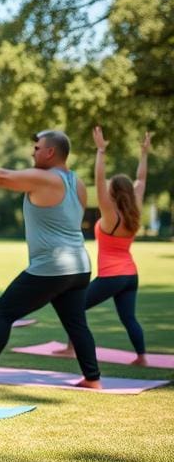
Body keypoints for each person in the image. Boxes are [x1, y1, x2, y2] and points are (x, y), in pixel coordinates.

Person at [0, 130, 102, 388]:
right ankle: (92, 378)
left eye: (37, 147)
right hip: (79, 266)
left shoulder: (45, 178)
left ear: (50, 152)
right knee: (76, 323)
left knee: (3, 311)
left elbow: (2, 177)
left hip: (52, 266)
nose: (33, 152)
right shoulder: (76, 182)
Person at [58, 128, 151, 366]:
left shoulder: (111, 215)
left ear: (114, 192)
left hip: (112, 275)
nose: (105, 186)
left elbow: (99, 180)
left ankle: (71, 349)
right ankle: (142, 357)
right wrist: (144, 153)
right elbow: (141, 180)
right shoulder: (134, 211)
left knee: (74, 307)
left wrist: (101, 151)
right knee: (129, 318)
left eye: (110, 186)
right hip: (130, 275)